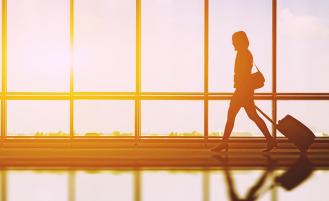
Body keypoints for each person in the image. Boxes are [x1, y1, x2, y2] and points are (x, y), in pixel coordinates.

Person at [211, 31, 277, 152]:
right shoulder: (245, 53)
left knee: (232, 115)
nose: (232, 43)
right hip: (245, 90)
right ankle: (270, 140)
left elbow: (244, 74)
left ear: (239, 41)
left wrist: (242, 90)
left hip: (242, 91)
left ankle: (224, 143)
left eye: (234, 40)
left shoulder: (243, 54)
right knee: (252, 116)